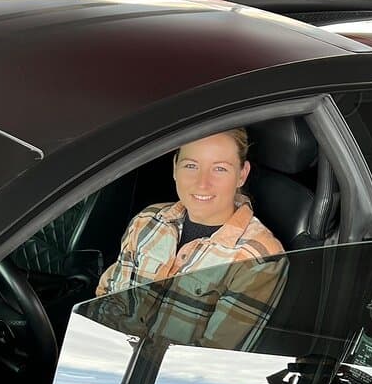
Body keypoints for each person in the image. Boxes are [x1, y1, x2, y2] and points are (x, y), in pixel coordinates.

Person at [92, 128, 287, 351]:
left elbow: (212, 356)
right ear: (175, 167)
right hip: (103, 354)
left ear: (242, 175)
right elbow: (108, 300)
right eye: (191, 166)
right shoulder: (147, 220)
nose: (202, 183)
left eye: (220, 168)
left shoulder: (258, 258)